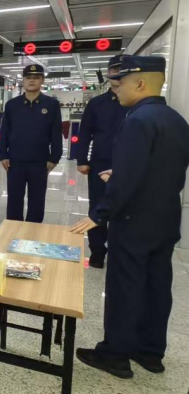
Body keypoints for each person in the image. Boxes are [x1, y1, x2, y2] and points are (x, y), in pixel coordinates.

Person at [72, 56, 189, 379]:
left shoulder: (137, 120)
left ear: (139, 83)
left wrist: (100, 214)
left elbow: (127, 179)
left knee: (126, 285)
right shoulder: (176, 120)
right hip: (165, 217)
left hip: (133, 220)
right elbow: (162, 168)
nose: (117, 89)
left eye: (120, 83)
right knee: (157, 285)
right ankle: (150, 351)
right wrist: (121, 174)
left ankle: (115, 354)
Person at [75, 55, 129, 268]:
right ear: (108, 73)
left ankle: (120, 252)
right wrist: (82, 159)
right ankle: (97, 252)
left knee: (125, 209)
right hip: (100, 163)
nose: (119, 73)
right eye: (115, 69)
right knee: (97, 207)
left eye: (123, 69)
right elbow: (84, 133)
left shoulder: (137, 103)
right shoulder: (97, 104)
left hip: (129, 165)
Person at [0, 64, 63, 223]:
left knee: (37, 200)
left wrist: (54, 158)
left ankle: (33, 230)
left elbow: (56, 133)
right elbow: (4, 131)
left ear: (42, 80)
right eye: (28, 78)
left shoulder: (51, 104)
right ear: (23, 80)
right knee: (14, 199)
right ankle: (13, 229)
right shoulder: (12, 105)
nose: (32, 81)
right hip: (15, 161)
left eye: (36, 78)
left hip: (40, 161)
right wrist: (3, 155)